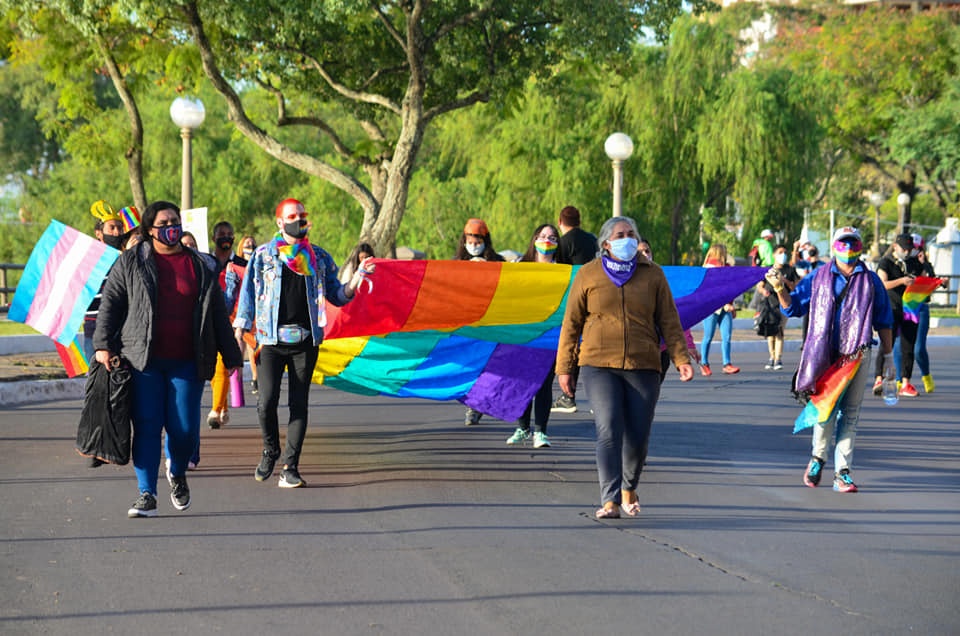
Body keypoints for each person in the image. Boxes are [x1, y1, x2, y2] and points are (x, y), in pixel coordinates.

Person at [94, 201, 243, 517]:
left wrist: (231, 355)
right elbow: (111, 304)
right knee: (147, 425)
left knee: (185, 428)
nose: (171, 227)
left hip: (187, 361)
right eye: (164, 222)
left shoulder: (200, 265)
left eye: (175, 221)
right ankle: (146, 492)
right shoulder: (131, 262)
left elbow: (216, 312)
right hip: (142, 360)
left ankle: (176, 471)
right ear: (150, 229)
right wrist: (103, 344)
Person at [556, 216, 693, 519]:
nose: (627, 238)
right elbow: (571, 324)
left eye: (631, 233)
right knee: (608, 429)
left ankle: (629, 487)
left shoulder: (653, 274)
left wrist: (681, 358)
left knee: (638, 435)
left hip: (643, 364)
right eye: (620, 234)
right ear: (606, 243)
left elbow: (669, 320)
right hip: (598, 364)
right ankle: (609, 500)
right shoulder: (588, 275)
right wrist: (564, 368)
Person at [234, 198, 373, 488]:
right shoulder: (263, 255)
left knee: (299, 404)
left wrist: (357, 279)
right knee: (266, 402)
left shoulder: (319, 257)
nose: (299, 220)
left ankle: (290, 466)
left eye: (302, 215)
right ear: (280, 223)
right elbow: (247, 293)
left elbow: (338, 295)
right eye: (292, 216)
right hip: (271, 340)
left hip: (305, 340)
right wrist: (241, 325)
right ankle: (270, 449)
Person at [770, 226, 893, 493]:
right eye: (843, 244)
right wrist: (779, 288)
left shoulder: (871, 281)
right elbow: (793, 307)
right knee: (826, 408)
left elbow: (884, 321)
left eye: (853, 244)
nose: (848, 250)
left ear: (860, 246)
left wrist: (889, 355)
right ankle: (817, 458)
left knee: (850, 413)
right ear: (834, 247)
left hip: (858, 354)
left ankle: (842, 473)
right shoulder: (818, 277)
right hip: (824, 353)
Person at [505, 224, 560, 449]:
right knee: (522, 380)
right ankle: (522, 428)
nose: (547, 240)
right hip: (523, 333)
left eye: (553, 237)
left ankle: (541, 432)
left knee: (544, 383)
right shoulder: (520, 266)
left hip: (549, 334)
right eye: (543, 236)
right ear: (535, 238)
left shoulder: (564, 270)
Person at [455, 218, 504, 426]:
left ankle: (475, 406)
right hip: (465, 323)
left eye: (477, 240)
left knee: (487, 366)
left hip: (489, 323)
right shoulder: (455, 263)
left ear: (485, 240)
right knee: (469, 366)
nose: (474, 244)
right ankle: (472, 403)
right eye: (470, 240)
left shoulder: (498, 261)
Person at [552, 205, 599, 414]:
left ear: (560, 223)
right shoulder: (593, 240)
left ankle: (568, 396)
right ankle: (599, 397)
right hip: (595, 296)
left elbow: (558, 274)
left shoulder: (562, 244)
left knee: (571, 345)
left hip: (572, 300)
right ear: (579, 221)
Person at [205, 221, 249, 429]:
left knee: (224, 364)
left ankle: (215, 410)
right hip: (210, 320)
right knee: (214, 366)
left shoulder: (243, 264)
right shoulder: (206, 263)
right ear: (214, 238)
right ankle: (222, 406)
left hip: (234, 323)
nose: (226, 238)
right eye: (222, 234)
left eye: (230, 234)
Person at [872, 234, 918, 398]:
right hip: (890, 308)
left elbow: (923, 278)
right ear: (895, 246)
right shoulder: (886, 262)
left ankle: (905, 382)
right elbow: (881, 283)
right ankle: (879, 378)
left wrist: (938, 282)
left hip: (910, 310)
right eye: (903, 249)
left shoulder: (913, 263)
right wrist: (901, 281)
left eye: (909, 249)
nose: (906, 252)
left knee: (908, 346)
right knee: (887, 344)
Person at [83, 200, 128, 363]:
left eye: (120, 228)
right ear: (98, 233)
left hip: (122, 329)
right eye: (112, 228)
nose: (117, 232)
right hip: (93, 328)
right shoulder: (87, 260)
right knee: (96, 383)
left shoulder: (126, 260)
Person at [905, 234, 941, 394]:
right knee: (903, 346)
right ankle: (902, 381)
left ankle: (926, 376)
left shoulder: (924, 265)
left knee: (919, 348)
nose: (913, 251)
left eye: (917, 248)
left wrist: (924, 264)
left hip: (922, 308)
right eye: (911, 248)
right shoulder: (903, 263)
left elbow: (932, 281)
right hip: (905, 308)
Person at [754, 244, 799, 370]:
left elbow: (795, 286)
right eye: (780, 252)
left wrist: (785, 281)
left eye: (784, 252)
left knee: (779, 330)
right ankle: (771, 357)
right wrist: (763, 291)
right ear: (774, 255)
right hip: (769, 304)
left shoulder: (790, 270)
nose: (782, 255)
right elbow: (760, 285)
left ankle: (778, 358)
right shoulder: (768, 270)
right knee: (770, 331)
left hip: (784, 304)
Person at [698, 244, 740, 375]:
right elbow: (711, 291)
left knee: (726, 336)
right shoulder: (710, 268)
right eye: (725, 252)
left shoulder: (725, 268)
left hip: (725, 307)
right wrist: (725, 304)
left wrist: (730, 304)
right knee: (708, 336)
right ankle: (704, 363)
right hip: (711, 307)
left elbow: (729, 289)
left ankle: (726, 363)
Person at [236, 235, 259, 393]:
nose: (250, 247)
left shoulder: (259, 263)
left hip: (254, 310)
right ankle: (236, 380)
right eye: (247, 244)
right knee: (238, 347)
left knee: (252, 345)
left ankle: (256, 378)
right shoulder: (236, 264)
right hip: (236, 310)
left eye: (252, 244)